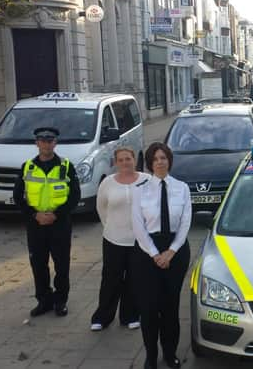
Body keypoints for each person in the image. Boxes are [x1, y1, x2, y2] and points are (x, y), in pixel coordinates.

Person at [132, 143, 191, 369]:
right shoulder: (140, 190)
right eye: (155, 158)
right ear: (149, 163)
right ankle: (150, 355)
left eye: (163, 157)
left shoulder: (182, 188)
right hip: (147, 252)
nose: (160, 162)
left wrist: (171, 251)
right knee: (148, 308)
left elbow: (185, 223)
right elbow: (138, 227)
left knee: (170, 307)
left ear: (169, 160)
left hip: (176, 250)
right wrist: (157, 254)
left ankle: (170, 353)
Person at [13, 127, 80, 317]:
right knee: (38, 264)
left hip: (59, 223)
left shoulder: (66, 166)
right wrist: (35, 215)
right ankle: (44, 300)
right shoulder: (27, 167)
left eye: (50, 140)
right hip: (36, 225)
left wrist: (55, 215)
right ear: (37, 143)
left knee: (62, 265)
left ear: (55, 143)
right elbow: (18, 197)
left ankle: (60, 301)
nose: (46, 143)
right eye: (42, 140)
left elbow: (75, 196)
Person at [90, 147, 151, 332]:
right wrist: (112, 226)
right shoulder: (108, 183)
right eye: (121, 160)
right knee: (110, 279)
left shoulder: (147, 180)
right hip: (113, 239)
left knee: (134, 278)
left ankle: (130, 315)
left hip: (139, 241)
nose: (125, 162)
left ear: (135, 160)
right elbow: (101, 208)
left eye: (128, 158)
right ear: (116, 163)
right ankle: (102, 317)